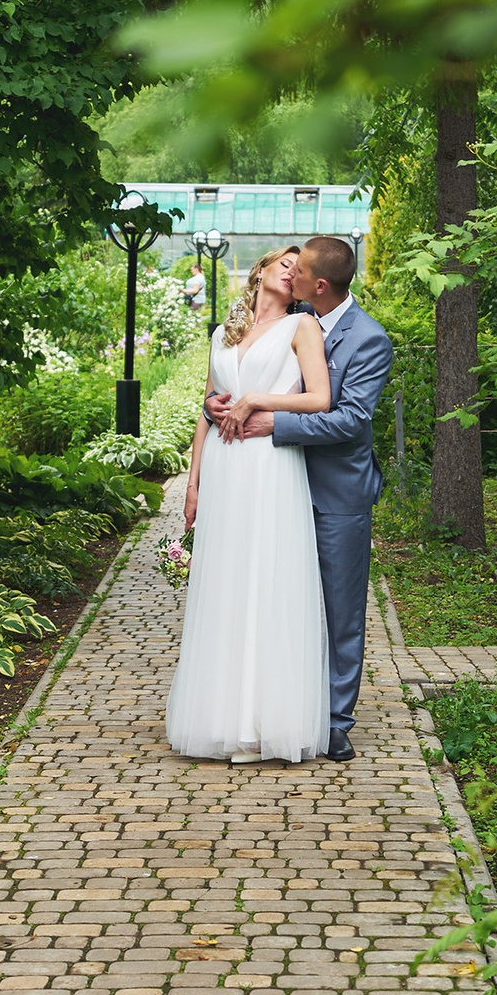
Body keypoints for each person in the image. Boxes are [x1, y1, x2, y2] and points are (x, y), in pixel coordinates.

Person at [204, 234, 391, 763]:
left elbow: (351, 419)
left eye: (300, 269)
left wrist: (271, 422)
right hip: (274, 484)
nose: (292, 274)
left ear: (320, 284)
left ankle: (332, 723)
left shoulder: (367, 339)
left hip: (335, 494)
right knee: (278, 601)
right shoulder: (291, 320)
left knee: (339, 610)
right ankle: (276, 707)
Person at [166, 247, 336, 763]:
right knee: (225, 581)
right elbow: (207, 407)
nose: (291, 271)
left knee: (268, 576)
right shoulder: (223, 332)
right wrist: (193, 482)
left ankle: (270, 720)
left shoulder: (300, 328)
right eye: (283, 263)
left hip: (268, 464)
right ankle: (219, 716)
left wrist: (258, 400)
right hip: (223, 466)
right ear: (259, 270)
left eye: (298, 267)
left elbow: (320, 399)